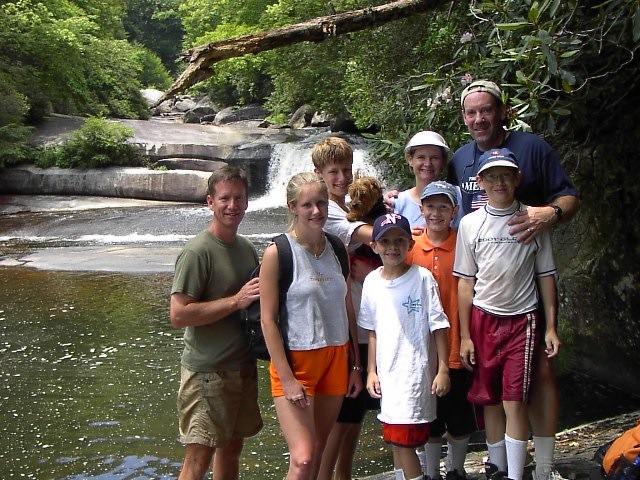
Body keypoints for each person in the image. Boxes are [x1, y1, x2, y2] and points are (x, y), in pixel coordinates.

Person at [447, 79, 579, 480]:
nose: (479, 118)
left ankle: (544, 466)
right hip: (485, 292)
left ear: (502, 111)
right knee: (489, 386)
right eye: (471, 113)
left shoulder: (532, 149)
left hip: (527, 286)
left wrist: (548, 214)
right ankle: (498, 463)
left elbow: (569, 196)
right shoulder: (461, 159)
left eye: (486, 110)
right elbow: (440, 204)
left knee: (539, 374)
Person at [454, 148, 560, 480]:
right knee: (489, 397)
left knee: (515, 399)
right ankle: (497, 468)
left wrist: (551, 327)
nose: (499, 182)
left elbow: (545, 276)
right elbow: (465, 283)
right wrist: (465, 336)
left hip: (523, 320)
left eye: (505, 175)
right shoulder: (470, 224)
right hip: (483, 319)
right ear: (480, 181)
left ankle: (517, 474)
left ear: (517, 179)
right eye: (491, 176)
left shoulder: (533, 219)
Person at [259, 171, 363, 480]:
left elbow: (347, 310)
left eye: (321, 202)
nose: (316, 211)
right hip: (297, 361)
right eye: (307, 205)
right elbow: (267, 321)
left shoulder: (336, 249)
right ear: (292, 207)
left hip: (336, 359)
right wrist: (288, 379)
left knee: (318, 448)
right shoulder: (277, 253)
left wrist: (355, 365)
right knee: (303, 459)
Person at [169, 165, 262, 480]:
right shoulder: (197, 252)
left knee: (232, 449)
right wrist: (236, 300)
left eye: (238, 198)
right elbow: (179, 314)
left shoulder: (247, 249)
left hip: (241, 368)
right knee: (198, 459)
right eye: (225, 198)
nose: (232, 205)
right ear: (210, 202)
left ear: (248, 201)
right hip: (207, 374)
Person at [359, 212, 451, 480]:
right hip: (388, 377)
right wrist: (370, 371)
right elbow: (372, 331)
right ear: (374, 246)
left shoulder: (421, 279)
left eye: (400, 240)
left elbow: (438, 325)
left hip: (414, 376)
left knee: (405, 442)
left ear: (410, 244)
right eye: (385, 242)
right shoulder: (372, 282)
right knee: (396, 441)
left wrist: (443, 369)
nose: (393, 247)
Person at [311, 137, 379, 480]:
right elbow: (373, 235)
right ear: (318, 174)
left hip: (362, 324)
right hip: (343, 327)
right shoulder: (329, 213)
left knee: (354, 418)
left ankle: (344, 476)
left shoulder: (347, 204)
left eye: (346, 170)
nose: (341, 178)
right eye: (333, 172)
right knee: (341, 419)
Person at [406, 181, 476, 480]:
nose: (436, 213)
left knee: (459, 417)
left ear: (455, 211)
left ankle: (456, 469)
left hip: (457, 344)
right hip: (422, 351)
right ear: (421, 209)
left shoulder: (464, 244)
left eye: (443, 206)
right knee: (430, 418)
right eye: (430, 206)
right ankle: (432, 472)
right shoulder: (409, 248)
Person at [393, 131, 463, 229]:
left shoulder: (460, 195)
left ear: (443, 161)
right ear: (410, 160)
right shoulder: (397, 202)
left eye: (434, 158)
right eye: (421, 157)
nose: (427, 164)